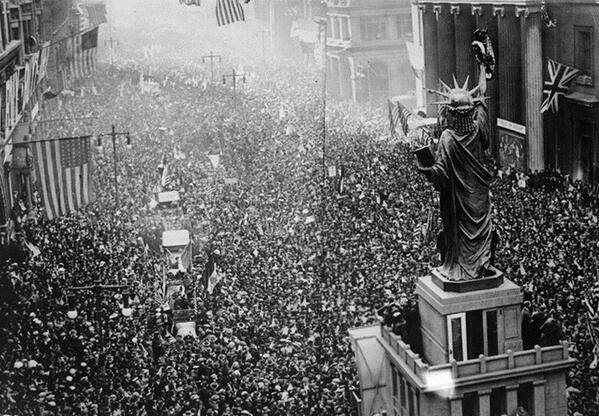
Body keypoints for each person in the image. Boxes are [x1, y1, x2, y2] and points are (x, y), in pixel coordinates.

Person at [417, 65, 493, 281]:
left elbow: (440, 174)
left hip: (458, 200)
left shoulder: (447, 138)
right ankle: (481, 263)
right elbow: (482, 97)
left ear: (450, 112)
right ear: (471, 111)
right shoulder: (479, 129)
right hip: (479, 197)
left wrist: (426, 170)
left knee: (459, 234)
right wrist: (481, 66)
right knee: (481, 233)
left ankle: (462, 266)